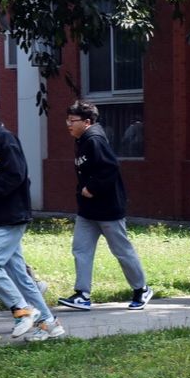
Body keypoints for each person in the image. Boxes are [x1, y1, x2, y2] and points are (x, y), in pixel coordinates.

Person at [0, 92, 64, 341]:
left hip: (12, 215)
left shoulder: (6, 140)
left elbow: (16, 176)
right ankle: (50, 324)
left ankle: (22, 310)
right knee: (20, 276)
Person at [56, 99, 153, 311]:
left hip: (108, 208)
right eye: (67, 120)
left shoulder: (94, 140)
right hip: (88, 210)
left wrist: (91, 188)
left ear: (87, 122)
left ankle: (142, 289)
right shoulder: (82, 139)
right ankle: (82, 295)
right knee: (81, 249)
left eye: (72, 120)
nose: (68, 124)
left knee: (121, 251)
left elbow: (110, 168)